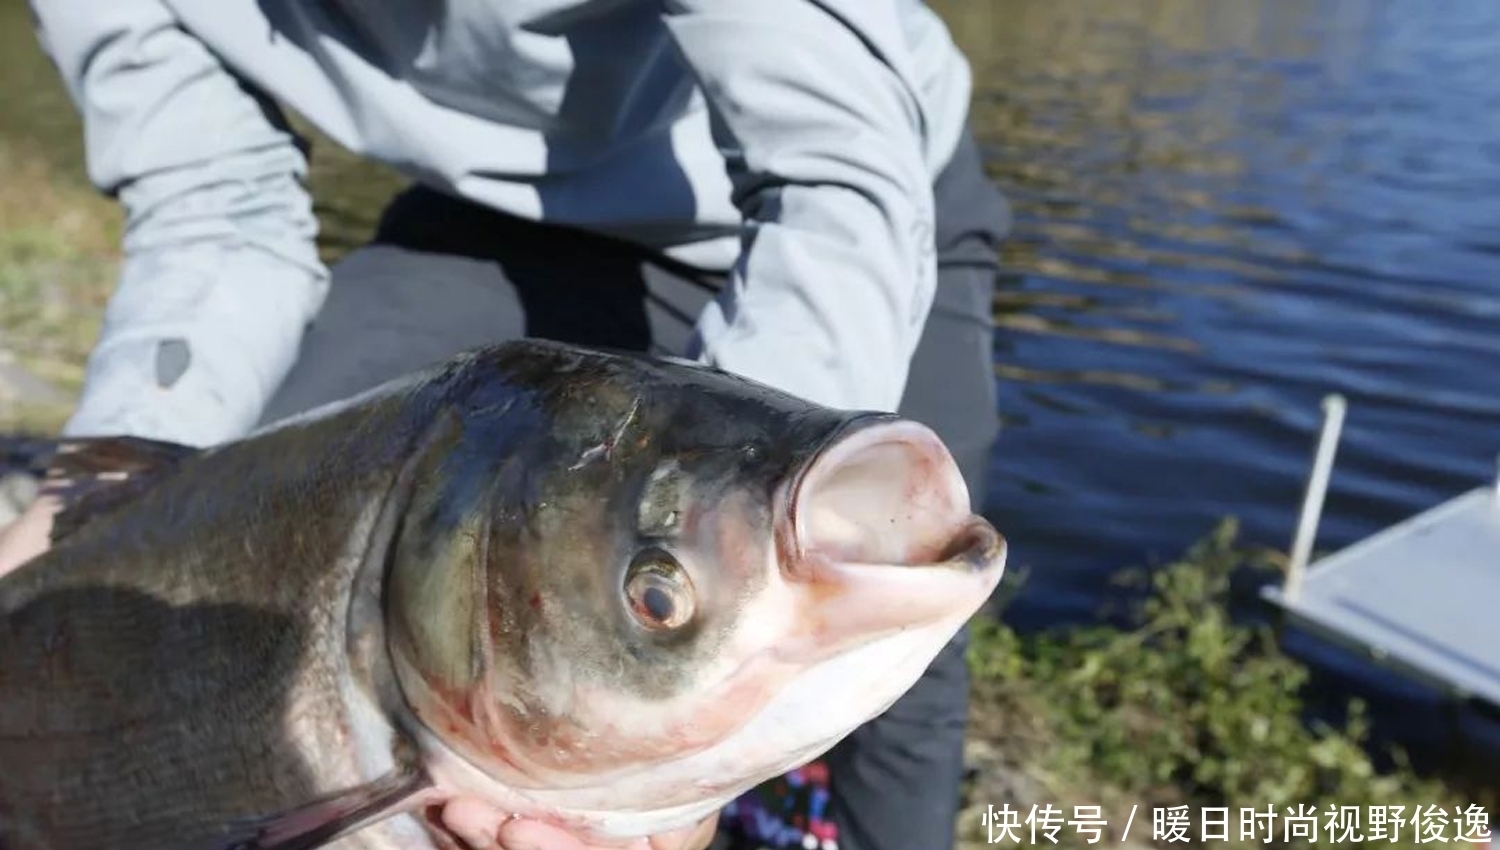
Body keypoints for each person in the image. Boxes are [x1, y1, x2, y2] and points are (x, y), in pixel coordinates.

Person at [7, 0, 1012, 848]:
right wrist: (77, 524)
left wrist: (697, 538)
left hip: (849, 188)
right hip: (490, 209)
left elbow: (834, 169)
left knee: (894, 628)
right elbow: (213, 210)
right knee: (268, 565)